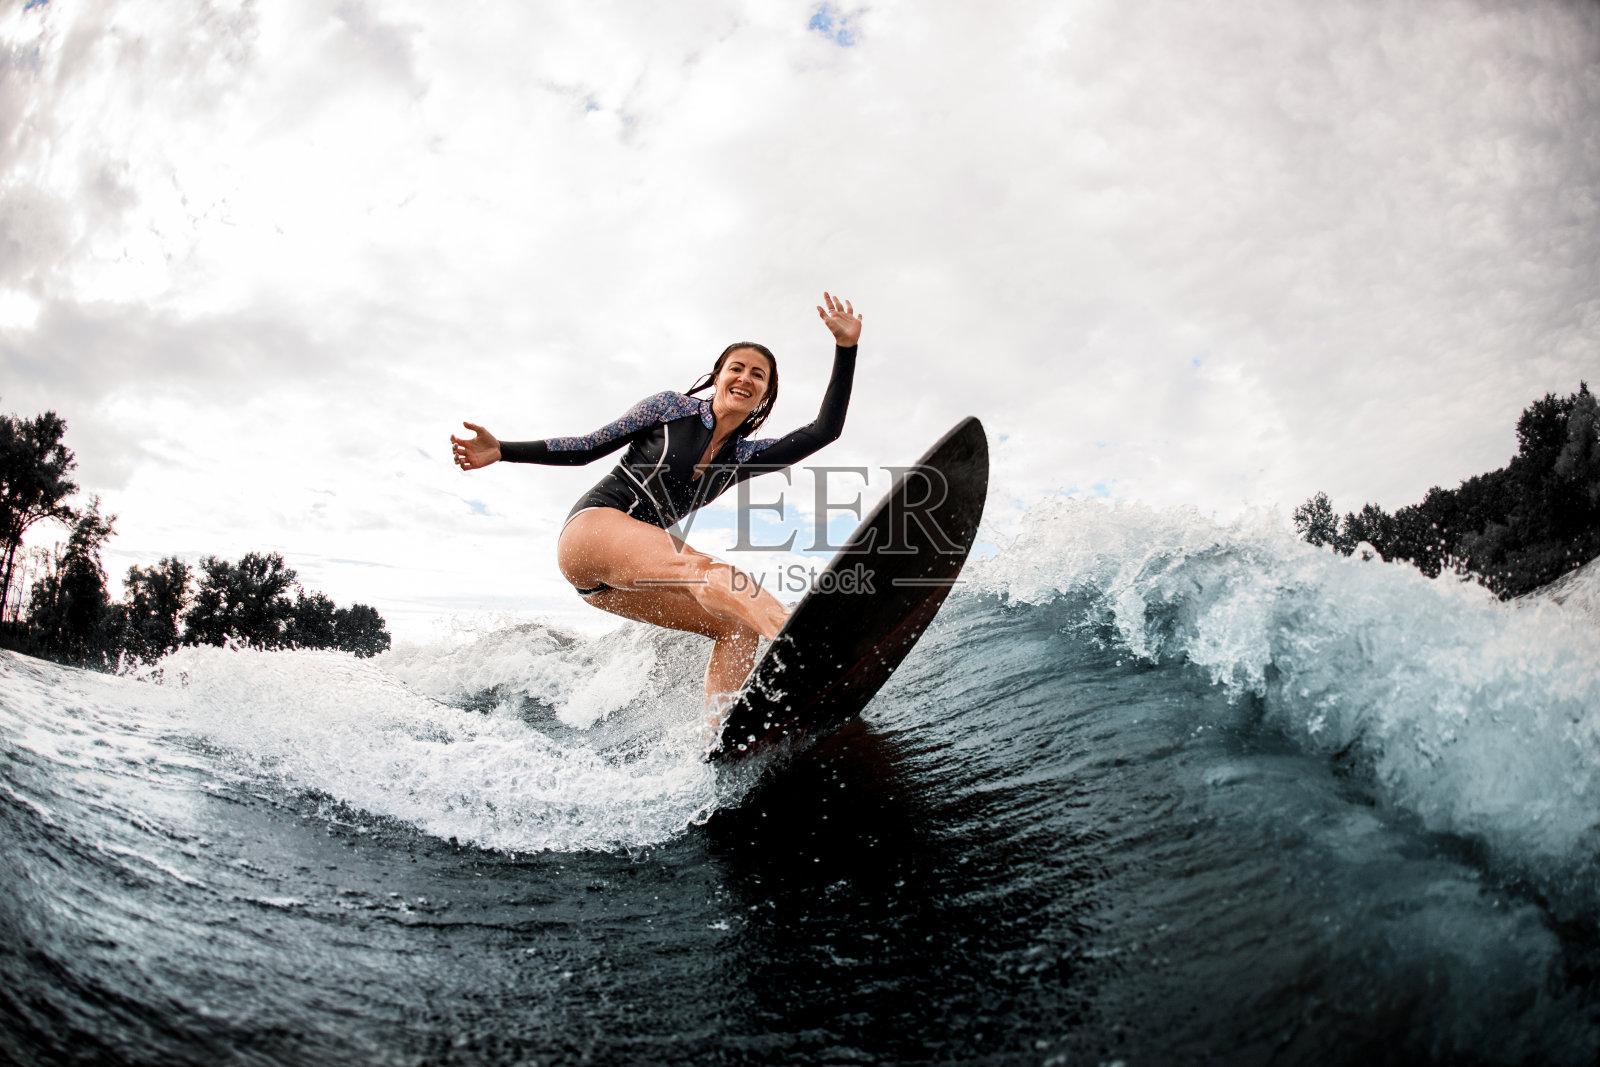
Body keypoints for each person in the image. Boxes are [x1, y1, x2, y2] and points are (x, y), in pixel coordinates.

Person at [451, 292, 862, 729]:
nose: (745, 378)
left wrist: (846, 348)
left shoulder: (745, 457)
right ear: (718, 376)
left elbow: (825, 430)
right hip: (591, 532)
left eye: (758, 375)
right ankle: (804, 649)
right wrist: (503, 450)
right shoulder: (670, 408)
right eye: (736, 368)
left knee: (736, 627)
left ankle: (720, 732)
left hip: (613, 588)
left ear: (765, 394)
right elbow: (587, 447)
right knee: (711, 572)